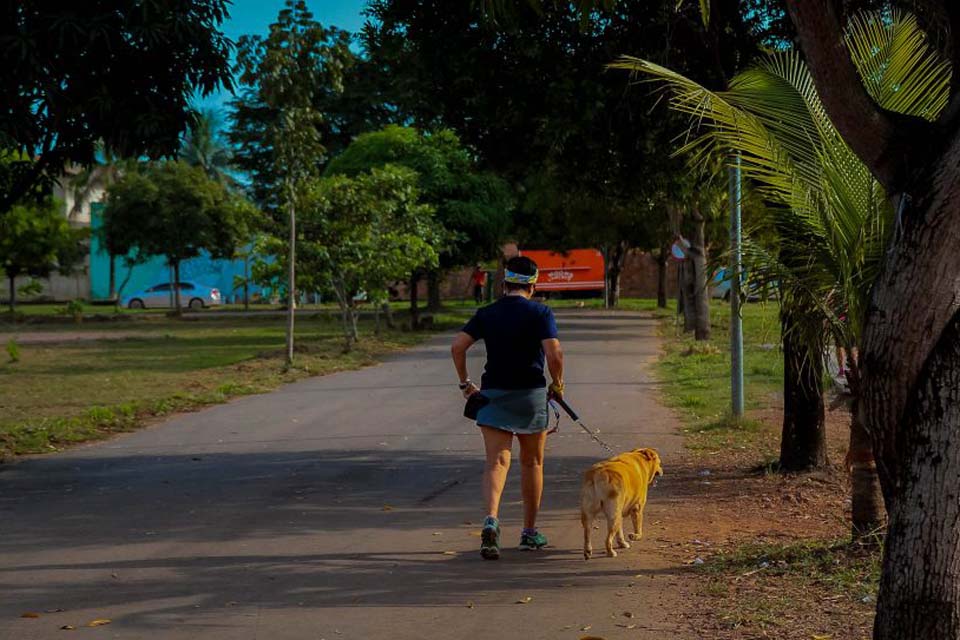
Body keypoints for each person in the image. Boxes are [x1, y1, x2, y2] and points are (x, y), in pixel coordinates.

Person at [450, 256, 565, 560]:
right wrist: (558, 384)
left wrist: (465, 384)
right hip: (530, 394)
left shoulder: (487, 313)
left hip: (493, 394)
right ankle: (528, 533)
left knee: (496, 463)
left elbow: (457, 346)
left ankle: (491, 520)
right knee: (532, 463)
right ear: (533, 285)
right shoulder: (540, 312)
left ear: (503, 284)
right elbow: (554, 354)